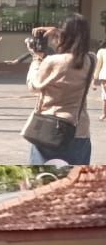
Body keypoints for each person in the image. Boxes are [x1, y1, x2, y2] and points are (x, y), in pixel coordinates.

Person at [24, 14, 95, 165]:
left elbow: (33, 85)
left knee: (42, 177)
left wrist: (36, 58)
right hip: (79, 129)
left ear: (66, 35)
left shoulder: (53, 61)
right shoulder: (91, 60)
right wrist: (58, 31)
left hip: (50, 129)